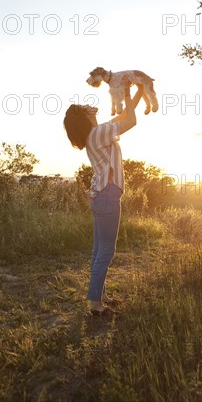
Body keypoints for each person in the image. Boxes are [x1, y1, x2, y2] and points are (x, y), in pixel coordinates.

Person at [63, 84, 143, 316]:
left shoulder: (97, 133)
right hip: (107, 196)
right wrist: (128, 93)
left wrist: (139, 91)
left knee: (100, 250)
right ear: (84, 118)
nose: (89, 105)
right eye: (84, 107)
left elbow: (128, 114)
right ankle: (96, 305)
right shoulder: (99, 134)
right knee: (106, 250)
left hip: (102, 196)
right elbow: (132, 122)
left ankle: (100, 295)